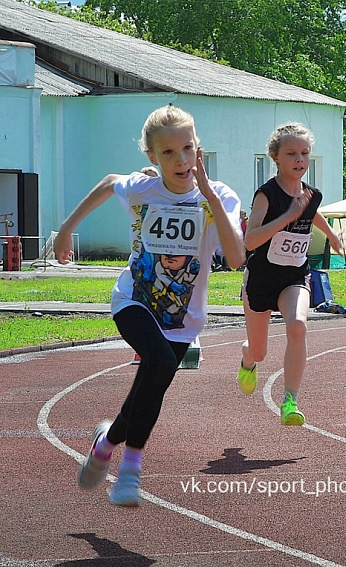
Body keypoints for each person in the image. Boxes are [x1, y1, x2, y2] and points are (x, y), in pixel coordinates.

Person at [55, 105, 245, 506]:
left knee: (147, 392)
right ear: (152, 158)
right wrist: (68, 229)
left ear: (199, 149)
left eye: (188, 149)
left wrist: (209, 197)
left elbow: (236, 257)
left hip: (184, 317)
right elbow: (109, 182)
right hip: (134, 301)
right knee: (156, 364)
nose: (181, 161)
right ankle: (131, 470)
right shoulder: (142, 188)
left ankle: (106, 443)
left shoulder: (222, 196)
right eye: (169, 153)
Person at [238, 123, 344, 426]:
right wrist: (286, 218)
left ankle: (289, 401)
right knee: (259, 350)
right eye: (291, 154)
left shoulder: (312, 195)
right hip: (260, 279)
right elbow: (251, 241)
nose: (299, 160)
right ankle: (247, 360)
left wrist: (331, 236)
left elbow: (311, 212)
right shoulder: (266, 195)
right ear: (275, 157)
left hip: (294, 276)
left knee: (298, 325)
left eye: (304, 153)